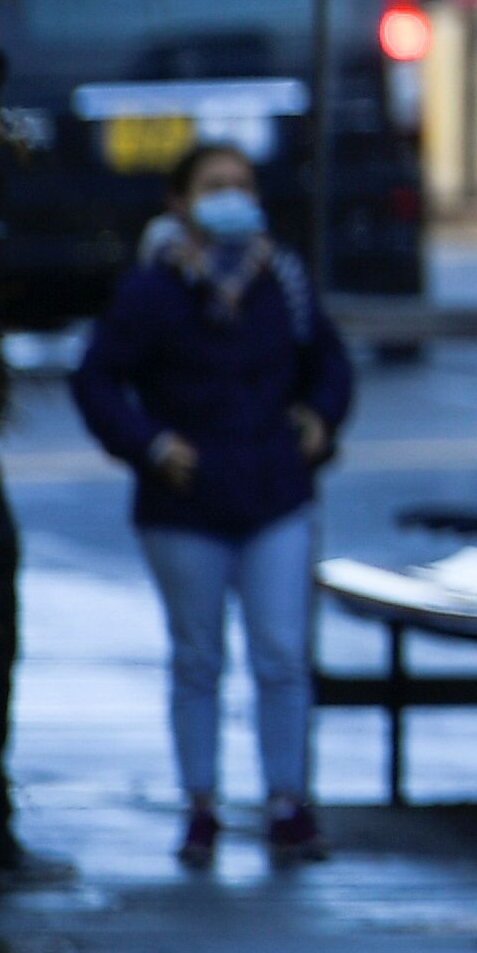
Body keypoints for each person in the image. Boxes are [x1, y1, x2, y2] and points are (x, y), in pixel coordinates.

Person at [71, 142, 355, 868]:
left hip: (274, 491)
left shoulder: (281, 280)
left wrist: (319, 418)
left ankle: (287, 800)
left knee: (282, 653)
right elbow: (97, 380)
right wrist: (153, 445)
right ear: (179, 202)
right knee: (199, 658)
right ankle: (201, 805)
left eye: (243, 184)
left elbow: (328, 359)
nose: (233, 197)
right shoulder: (151, 291)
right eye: (215, 185)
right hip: (186, 501)